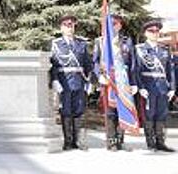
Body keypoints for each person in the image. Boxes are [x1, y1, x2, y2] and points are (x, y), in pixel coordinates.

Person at [93, 13, 137, 151]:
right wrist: (99, 75)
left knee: (122, 108)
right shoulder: (101, 41)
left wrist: (134, 82)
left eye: (116, 24)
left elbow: (133, 64)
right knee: (110, 111)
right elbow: (95, 61)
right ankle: (111, 141)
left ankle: (120, 139)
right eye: (111, 24)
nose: (113, 26)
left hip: (123, 81)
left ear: (120, 25)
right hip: (108, 81)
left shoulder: (126, 41)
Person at [50, 14, 93, 150]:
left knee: (79, 110)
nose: (70, 28)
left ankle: (76, 141)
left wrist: (89, 81)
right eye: (67, 26)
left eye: (72, 25)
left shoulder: (81, 44)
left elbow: (88, 64)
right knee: (66, 111)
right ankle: (68, 141)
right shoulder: (56, 44)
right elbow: (53, 65)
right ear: (61, 28)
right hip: (64, 82)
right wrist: (55, 80)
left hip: (79, 82)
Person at [134, 20, 175, 152]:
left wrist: (172, 88)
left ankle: (161, 142)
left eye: (157, 31)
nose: (155, 33)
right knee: (149, 115)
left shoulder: (164, 50)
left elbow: (170, 71)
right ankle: (151, 143)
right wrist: (140, 87)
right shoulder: (139, 50)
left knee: (161, 115)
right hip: (148, 87)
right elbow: (136, 70)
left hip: (162, 87)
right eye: (151, 31)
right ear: (146, 33)